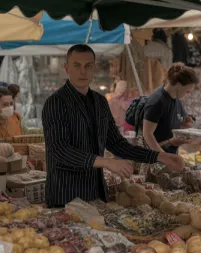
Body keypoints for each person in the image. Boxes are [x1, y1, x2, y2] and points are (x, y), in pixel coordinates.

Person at [42, 44, 184, 207]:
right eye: (77, 65)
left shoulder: (100, 101)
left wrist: (160, 156)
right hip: (65, 196)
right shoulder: (55, 103)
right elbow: (60, 150)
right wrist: (106, 162)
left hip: (95, 193)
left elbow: (117, 144)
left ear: (94, 68)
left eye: (88, 66)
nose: (83, 71)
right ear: (67, 68)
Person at [142, 64, 198, 154]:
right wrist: (166, 157)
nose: (188, 95)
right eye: (188, 91)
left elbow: (180, 119)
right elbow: (147, 135)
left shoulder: (176, 98)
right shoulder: (157, 101)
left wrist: (186, 122)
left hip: (170, 154)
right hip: (155, 158)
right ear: (178, 85)